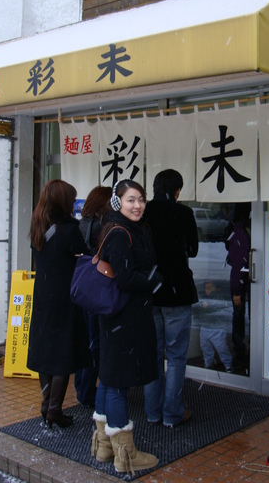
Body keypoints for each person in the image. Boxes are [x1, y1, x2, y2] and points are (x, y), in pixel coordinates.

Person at [91, 179, 163, 474]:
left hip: (116, 316)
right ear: (119, 202)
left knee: (108, 379)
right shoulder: (120, 233)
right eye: (131, 200)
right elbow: (124, 278)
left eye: (142, 200)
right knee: (117, 382)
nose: (138, 205)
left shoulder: (121, 228)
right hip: (125, 317)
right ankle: (126, 455)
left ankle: (104, 446)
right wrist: (154, 282)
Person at [27, 179, 91, 429]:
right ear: (64, 202)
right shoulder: (68, 229)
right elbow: (84, 254)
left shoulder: (37, 225)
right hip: (64, 297)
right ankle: (54, 409)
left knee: (46, 351)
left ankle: (46, 405)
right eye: (71, 199)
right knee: (62, 354)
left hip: (43, 294)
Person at [142, 169, 199, 428]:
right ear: (177, 190)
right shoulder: (184, 213)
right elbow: (193, 250)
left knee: (151, 356)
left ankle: (153, 413)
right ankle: (172, 415)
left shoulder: (143, 212)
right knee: (175, 356)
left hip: (149, 292)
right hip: (177, 292)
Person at [73, 185, 112, 408]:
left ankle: (82, 388)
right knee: (96, 343)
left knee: (87, 340)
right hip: (97, 290)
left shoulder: (81, 223)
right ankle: (88, 392)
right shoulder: (102, 227)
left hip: (81, 289)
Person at [226, 202, 251, 371]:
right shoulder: (249, 227)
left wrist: (236, 291)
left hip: (244, 282)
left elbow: (239, 263)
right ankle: (248, 355)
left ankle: (241, 356)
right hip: (250, 279)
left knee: (239, 317)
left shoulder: (239, 230)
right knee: (249, 317)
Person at [192, 281, 233, 372]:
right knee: (205, 348)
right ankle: (208, 363)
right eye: (206, 288)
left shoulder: (220, 299)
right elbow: (197, 310)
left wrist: (210, 305)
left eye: (210, 289)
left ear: (218, 289)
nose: (207, 291)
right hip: (204, 327)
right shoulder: (203, 299)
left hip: (217, 329)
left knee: (221, 348)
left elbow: (223, 309)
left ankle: (228, 364)